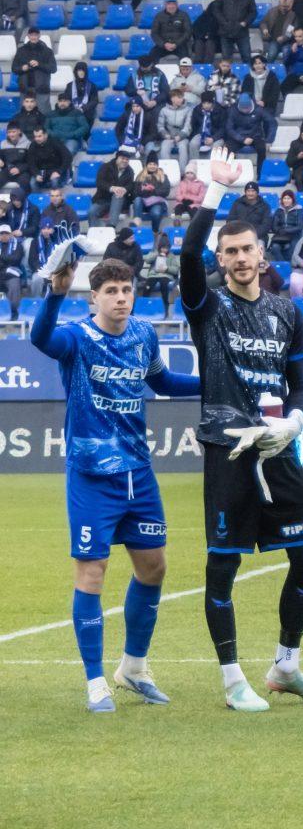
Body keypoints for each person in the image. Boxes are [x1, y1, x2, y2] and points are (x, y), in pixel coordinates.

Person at [179, 147, 303, 712]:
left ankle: (286, 666)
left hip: (276, 449)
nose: (240, 258)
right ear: (221, 259)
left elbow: (299, 385)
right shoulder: (207, 306)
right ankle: (231, 680)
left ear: (262, 254)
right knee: (223, 564)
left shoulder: (286, 312)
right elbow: (188, 253)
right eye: (231, 252)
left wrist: (294, 421)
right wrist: (216, 192)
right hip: (227, 448)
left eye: (247, 249)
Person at [31, 256, 200, 711]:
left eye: (127, 290)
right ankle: (95, 681)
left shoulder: (143, 334)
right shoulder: (77, 338)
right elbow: (41, 338)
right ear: (94, 298)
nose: (121, 298)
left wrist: (214, 384)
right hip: (91, 476)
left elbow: (163, 381)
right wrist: (56, 293)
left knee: (153, 568)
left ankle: (133, 668)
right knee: (93, 572)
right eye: (111, 292)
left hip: (137, 473)